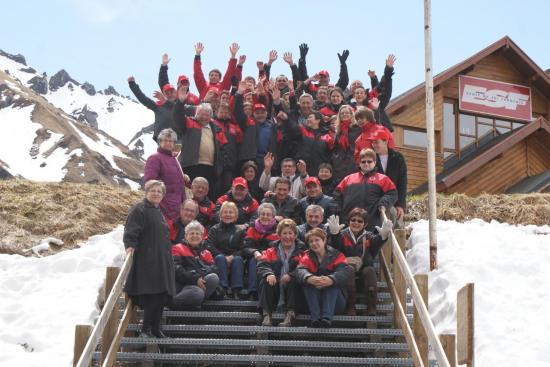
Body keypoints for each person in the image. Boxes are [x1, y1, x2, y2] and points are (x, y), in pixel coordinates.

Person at [123, 180, 175, 338]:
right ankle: (145, 329)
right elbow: (131, 230)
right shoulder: (139, 209)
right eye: (153, 190)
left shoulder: (159, 212)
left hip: (161, 260)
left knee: (160, 294)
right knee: (152, 294)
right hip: (147, 259)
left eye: (159, 191)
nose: (156, 193)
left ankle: (155, 328)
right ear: (146, 192)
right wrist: (130, 246)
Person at [327, 209, 393, 315]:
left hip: (363, 272)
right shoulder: (342, 235)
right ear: (348, 221)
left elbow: (375, 245)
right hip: (346, 274)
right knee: (349, 269)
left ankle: (371, 306)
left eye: (360, 221)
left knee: (370, 271)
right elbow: (336, 247)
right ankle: (350, 306)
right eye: (353, 220)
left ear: (365, 224)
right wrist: (334, 235)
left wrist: (383, 237)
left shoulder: (369, 236)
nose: (356, 223)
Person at [296, 228, 353, 328]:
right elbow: (299, 271)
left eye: (317, 240)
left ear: (324, 240)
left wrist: (331, 279)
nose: (314, 243)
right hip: (313, 303)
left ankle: (326, 318)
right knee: (308, 284)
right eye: (311, 241)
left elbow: (345, 271)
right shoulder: (306, 256)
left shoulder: (337, 255)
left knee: (332, 283)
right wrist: (309, 278)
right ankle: (315, 319)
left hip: (336, 304)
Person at [257, 219, 307, 326]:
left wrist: (291, 275)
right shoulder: (271, 250)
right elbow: (262, 264)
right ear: (279, 235)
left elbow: (304, 267)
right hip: (275, 288)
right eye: (284, 233)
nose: (287, 236)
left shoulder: (302, 251)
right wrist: (269, 273)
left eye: (290, 233)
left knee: (294, 281)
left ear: (295, 235)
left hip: (292, 291)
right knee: (265, 280)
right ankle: (266, 315)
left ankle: (290, 315)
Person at [172, 100, 227, 199]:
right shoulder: (189, 122)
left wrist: (220, 166)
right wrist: (180, 102)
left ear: (211, 116)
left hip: (210, 168)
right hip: (191, 165)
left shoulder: (216, 129)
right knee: (190, 194)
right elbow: (177, 116)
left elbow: (223, 149)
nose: (204, 117)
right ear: (196, 114)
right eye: (202, 115)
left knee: (206, 195)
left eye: (207, 115)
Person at [334, 148, 397, 231]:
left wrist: (383, 203)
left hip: (371, 224)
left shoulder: (383, 179)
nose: (366, 164)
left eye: (369, 161)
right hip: (348, 224)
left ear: (375, 162)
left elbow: (392, 193)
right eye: (363, 161)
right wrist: (337, 211)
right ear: (359, 163)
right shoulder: (348, 178)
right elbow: (336, 195)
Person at [171, 221, 220, 309]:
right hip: (183, 285)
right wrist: (195, 279)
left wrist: (198, 276)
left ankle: (195, 303)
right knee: (198, 293)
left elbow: (214, 269)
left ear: (202, 237)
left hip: (200, 284)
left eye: (198, 234)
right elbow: (176, 269)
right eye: (192, 233)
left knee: (213, 278)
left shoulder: (206, 252)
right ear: (186, 236)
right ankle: (172, 303)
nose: (195, 236)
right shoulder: (177, 248)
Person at [142, 128, 187, 220]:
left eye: (171, 141)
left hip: (179, 204)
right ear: (160, 142)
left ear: (174, 143)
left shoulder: (174, 159)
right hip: (164, 205)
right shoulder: (154, 158)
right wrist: (158, 200)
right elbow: (150, 182)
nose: (168, 143)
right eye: (165, 140)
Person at [206, 202, 246, 298]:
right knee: (220, 258)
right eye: (225, 212)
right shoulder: (214, 229)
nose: (228, 214)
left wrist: (232, 256)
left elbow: (243, 248)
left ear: (236, 216)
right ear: (220, 215)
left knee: (238, 259)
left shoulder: (240, 231)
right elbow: (209, 245)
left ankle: (236, 290)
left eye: (231, 212)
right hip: (218, 258)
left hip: (235, 258)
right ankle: (222, 289)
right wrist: (224, 257)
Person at [241, 203, 280, 300]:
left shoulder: (279, 229)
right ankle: (253, 292)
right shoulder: (252, 229)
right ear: (259, 215)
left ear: (273, 217)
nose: (265, 217)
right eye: (263, 214)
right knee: (254, 261)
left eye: (268, 214)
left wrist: (266, 254)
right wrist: (255, 252)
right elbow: (245, 247)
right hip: (255, 258)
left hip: (273, 258)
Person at [369, 129, 408, 226]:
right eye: (373, 142)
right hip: (375, 202)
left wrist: (400, 205)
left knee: (397, 226)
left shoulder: (398, 158)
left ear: (385, 141)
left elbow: (402, 183)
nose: (374, 145)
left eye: (377, 142)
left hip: (394, 201)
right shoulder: (369, 159)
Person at [127, 76, 178, 142]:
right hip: (162, 139)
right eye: (167, 93)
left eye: (171, 92)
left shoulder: (181, 107)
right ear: (163, 95)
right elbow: (143, 99)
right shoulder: (157, 106)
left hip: (178, 138)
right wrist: (132, 84)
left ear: (176, 93)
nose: (170, 95)